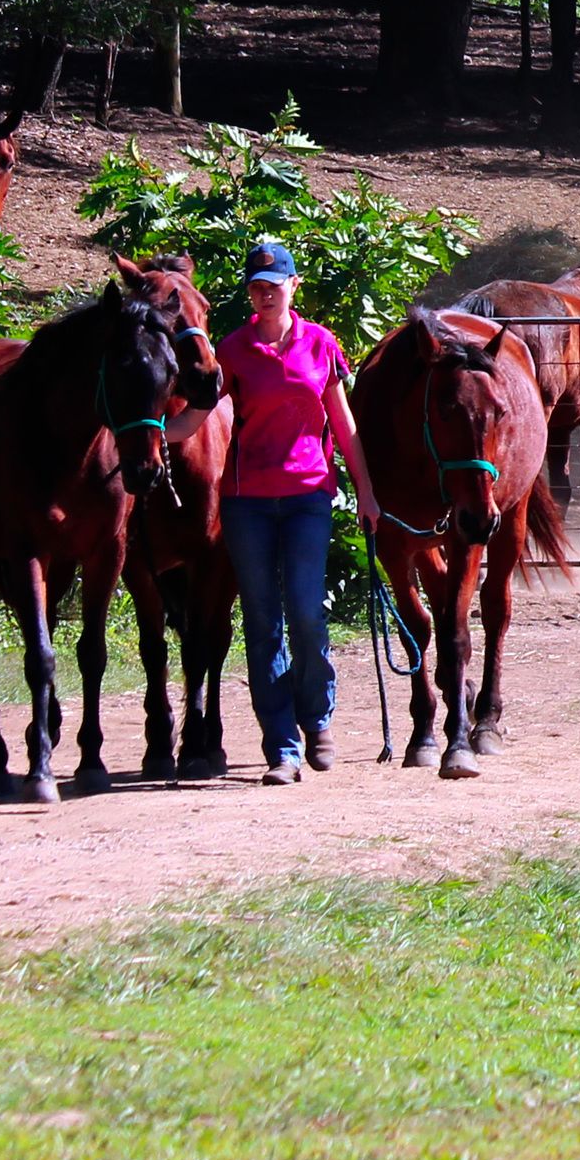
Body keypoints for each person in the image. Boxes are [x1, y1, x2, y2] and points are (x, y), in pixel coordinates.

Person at [213, 238, 376, 788]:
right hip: (246, 502)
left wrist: (368, 495)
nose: (263, 296)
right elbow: (203, 418)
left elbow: (344, 423)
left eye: (273, 286)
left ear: (292, 287)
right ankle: (282, 748)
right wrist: (154, 442)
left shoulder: (321, 344)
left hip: (308, 496)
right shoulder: (230, 351)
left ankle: (318, 718)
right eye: (255, 288)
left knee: (307, 614)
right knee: (263, 623)